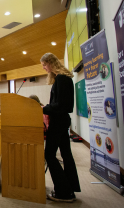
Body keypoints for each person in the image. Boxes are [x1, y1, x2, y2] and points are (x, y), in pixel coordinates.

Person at [41, 52, 80, 202]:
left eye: (45, 65)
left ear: (51, 63)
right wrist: (47, 107)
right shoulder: (62, 78)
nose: (44, 68)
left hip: (58, 122)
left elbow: (63, 106)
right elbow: (61, 104)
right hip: (62, 121)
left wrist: (44, 109)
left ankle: (63, 192)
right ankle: (69, 189)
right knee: (66, 155)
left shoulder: (62, 79)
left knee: (49, 155)